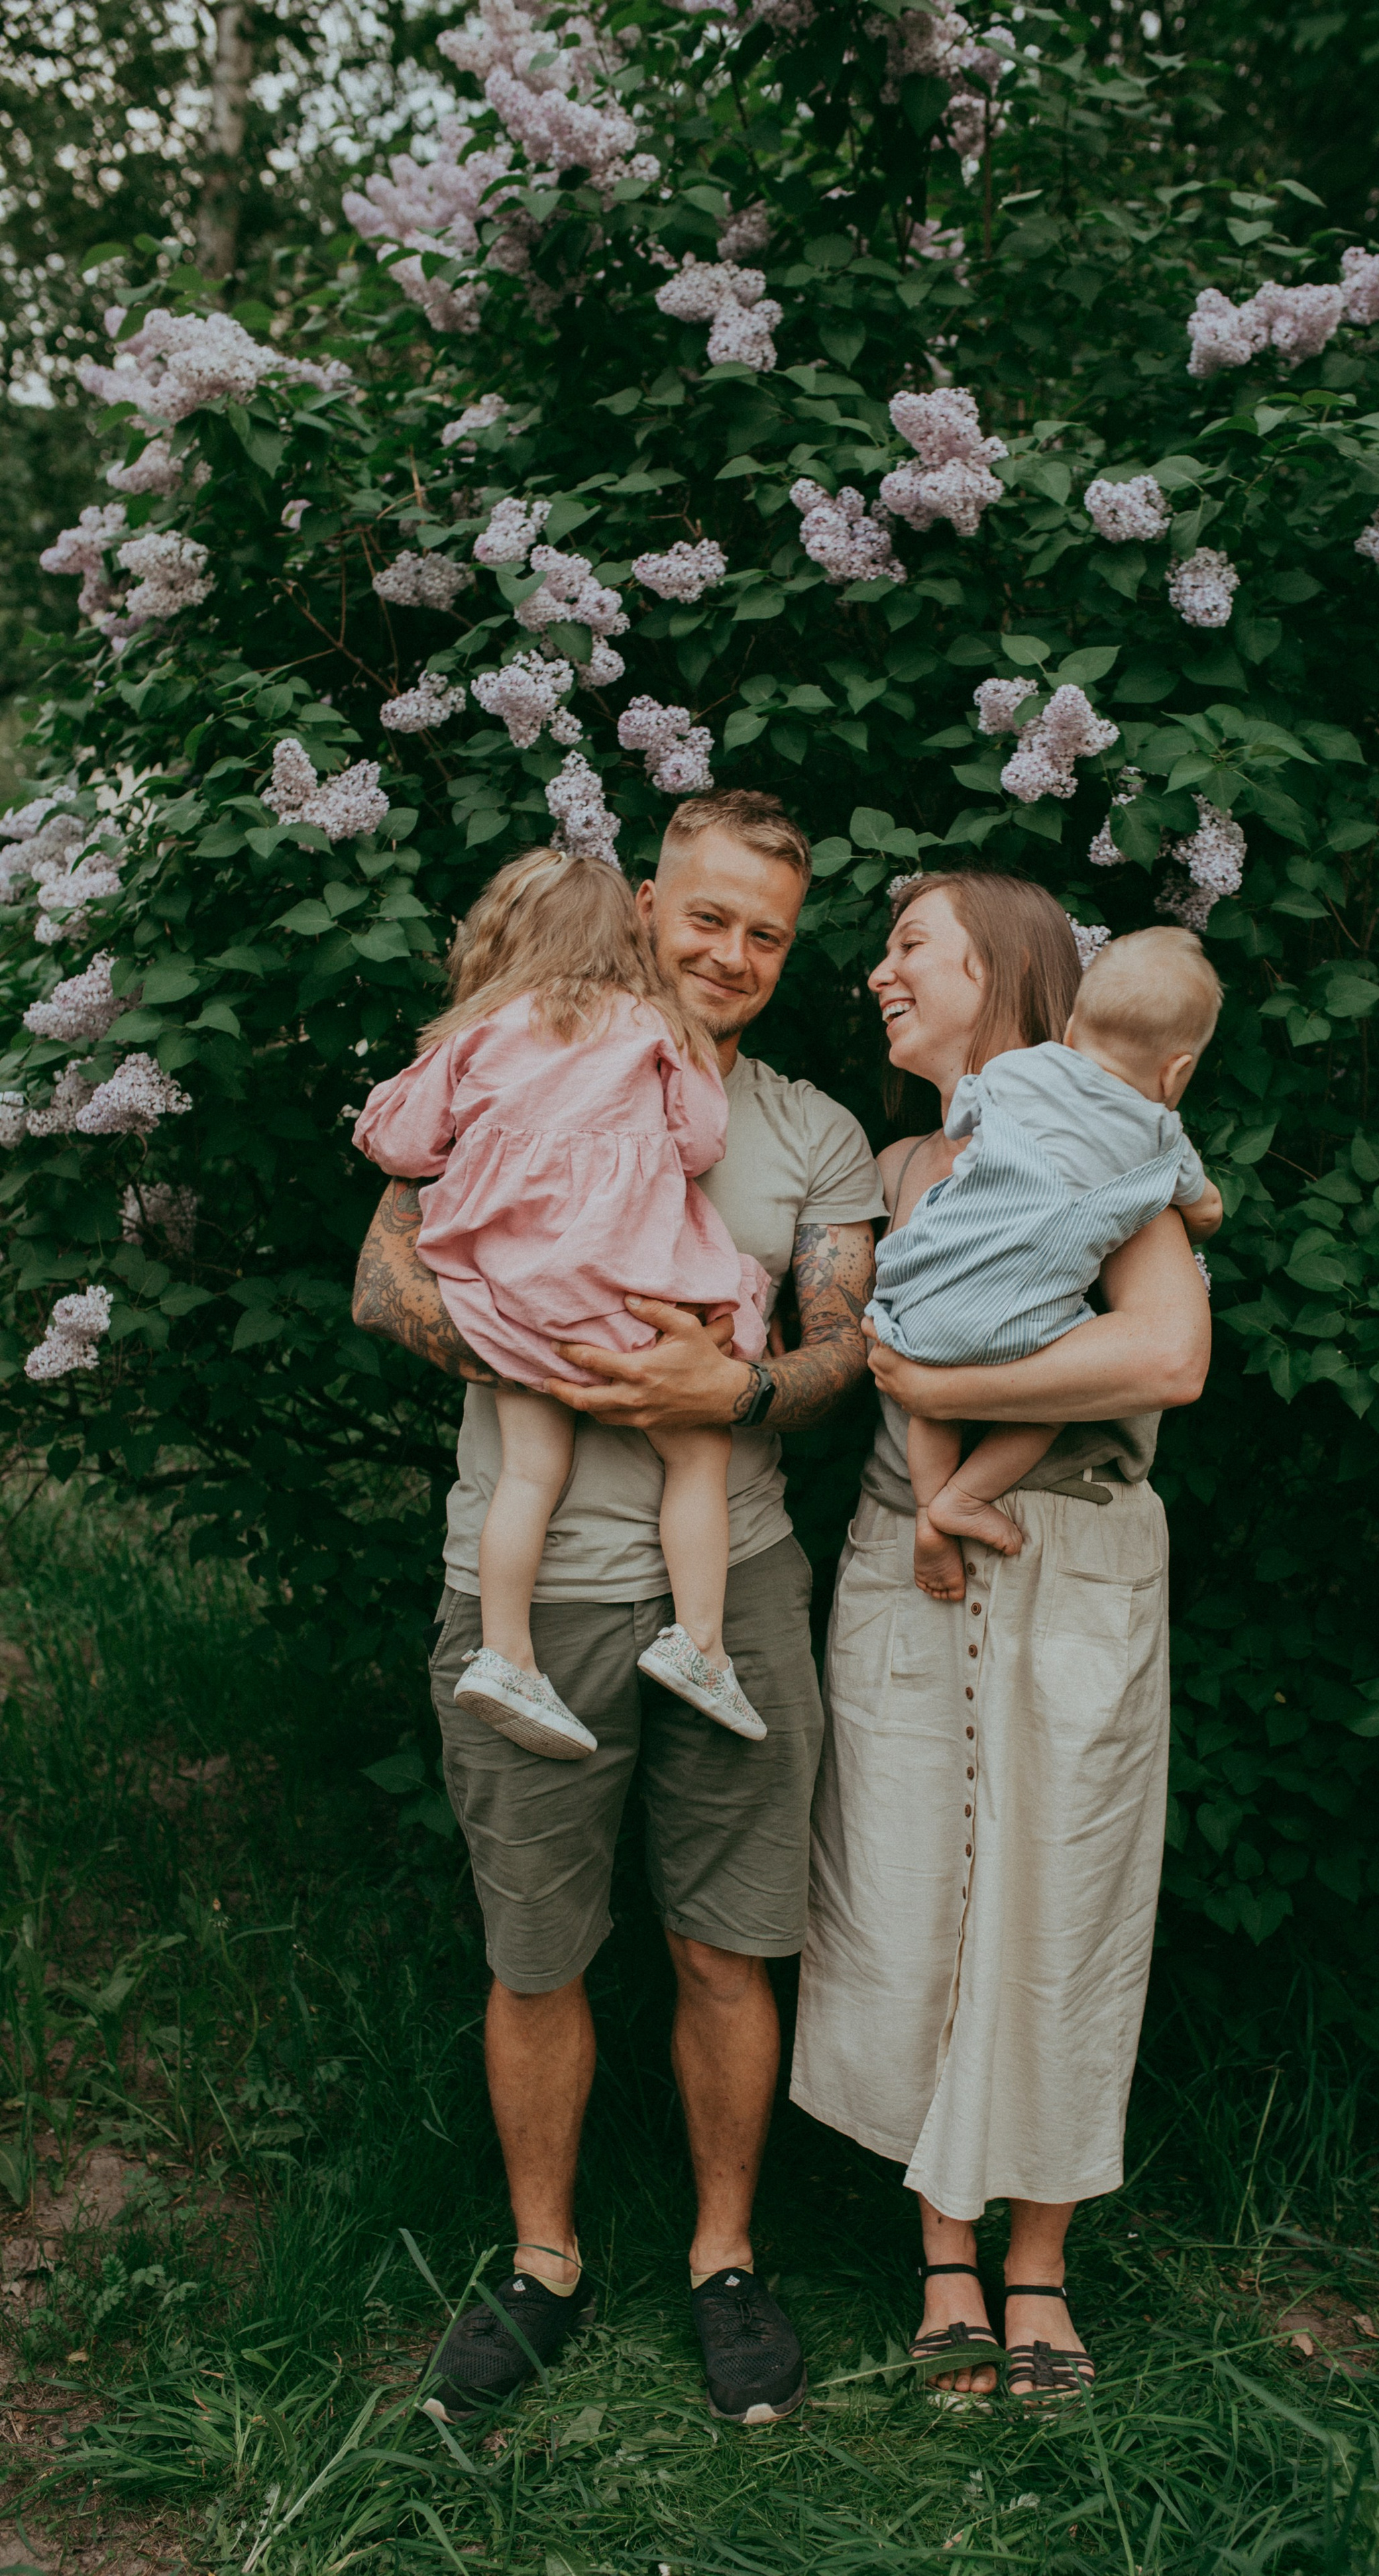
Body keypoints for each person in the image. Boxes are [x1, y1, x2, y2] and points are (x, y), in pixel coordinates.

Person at [351, 791, 883, 2426]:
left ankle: (725, 2258)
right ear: (649, 903)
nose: (730, 952)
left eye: (766, 934)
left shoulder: (810, 1132)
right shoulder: (520, 1050)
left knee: (728, 1941)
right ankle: (540, 2259)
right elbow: (386, 1278)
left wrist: (723, 1388)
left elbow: (841, 1347)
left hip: (736, 1580)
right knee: (534, 1952)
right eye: (707, 915)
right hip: (523, 1589)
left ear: (788, 955)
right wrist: (556, 1358)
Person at [791, 874, 1211, 2406]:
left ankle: (1036, 2266)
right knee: (909, 1896)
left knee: (1056, 1901)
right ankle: (943, 2254)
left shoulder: (1091, 1138)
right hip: (901, 1565)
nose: (880, 970)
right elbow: (861, 1353)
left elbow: (1164, 1349)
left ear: (1004, 968)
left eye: (913, 945)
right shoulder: (897, 1161)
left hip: (1067, 1549)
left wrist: (946, 1395)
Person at [353, 849, 773, 1753]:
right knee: (698, 1452)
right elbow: (699, 1144)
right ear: (636, 937)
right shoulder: (652, 1026)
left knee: (530, 1475)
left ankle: (505, 1654)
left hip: (510, 1305)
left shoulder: (477, 1033)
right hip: (623, 1298)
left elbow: (394, 1141)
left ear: (503, 937)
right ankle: (699, 1645)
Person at [869, 925, 1224, 1599]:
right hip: (1014, 1326)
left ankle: (926, 1509)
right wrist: (1204, 1208)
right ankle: (965, 1498)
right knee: (1053, 1400)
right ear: (1177, 1072)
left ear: (1068, 1026)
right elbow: (1203, 1207)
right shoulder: (1157, 1140)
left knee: (931, 1403)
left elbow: (965, 1116)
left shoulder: (1011, 1073)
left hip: (914, 1295)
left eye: (911, 945)